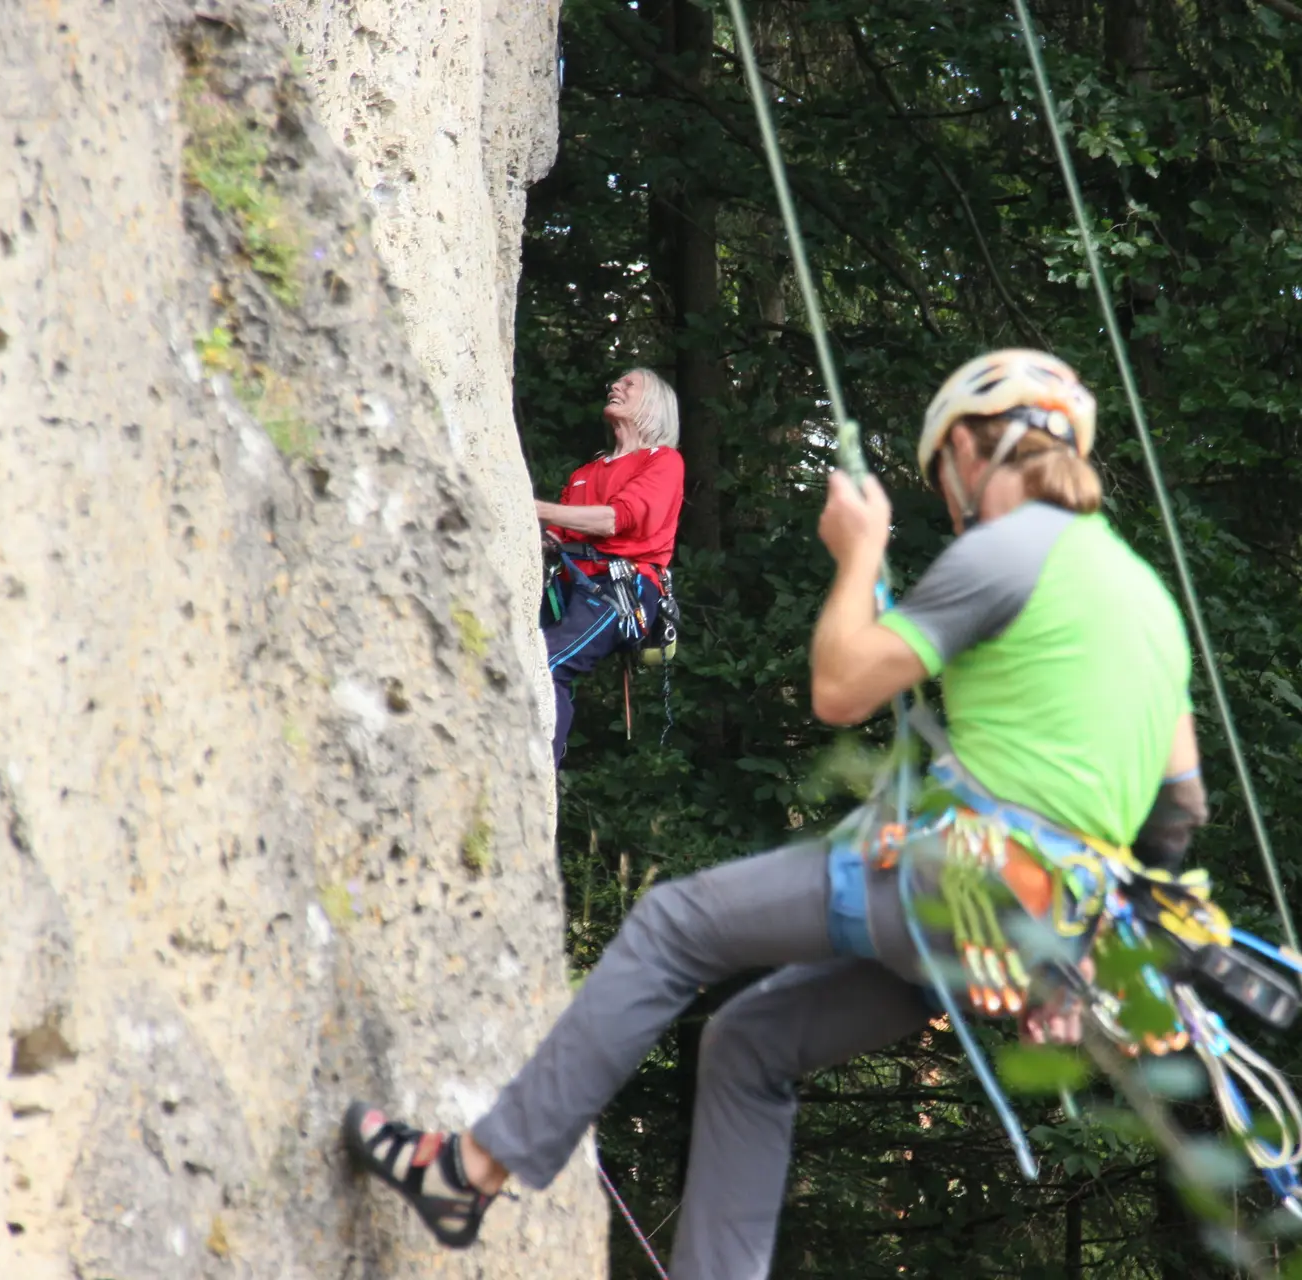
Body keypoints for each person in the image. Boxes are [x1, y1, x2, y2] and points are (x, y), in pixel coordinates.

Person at [341, 350, 1209, 1278]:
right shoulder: (1148, 598)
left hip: (958, 878)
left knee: (673, 925)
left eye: (941, 475)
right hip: (1041, 922)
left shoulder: (1007, 547)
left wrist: (861, 553)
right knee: (749, 1043)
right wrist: (1068, 965)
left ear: (967, 449)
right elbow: (1177, 813)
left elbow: (839, 688)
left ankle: (468, 1172)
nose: (950, 501)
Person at [534, 368, 685, 765]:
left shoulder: (663, 461)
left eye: (629, 384)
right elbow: (561, 534)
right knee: (524, 657)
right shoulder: (586, 474)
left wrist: (534, 509)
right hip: (570, 585)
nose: (615, 387)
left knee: (545, 662)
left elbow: (616, 520)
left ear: (653, 405)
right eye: (616, 383)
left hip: (620, 589)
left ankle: (539, 769)